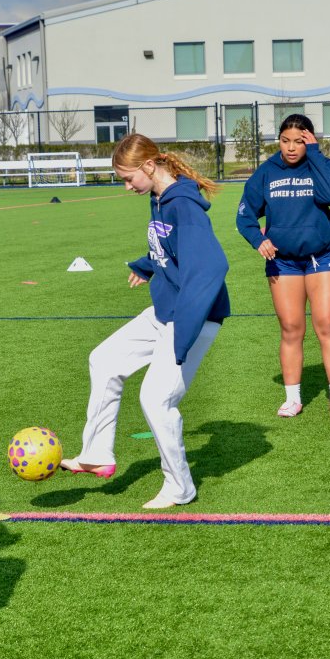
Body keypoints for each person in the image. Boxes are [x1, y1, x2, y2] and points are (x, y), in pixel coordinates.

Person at [61, 133, 230, 508]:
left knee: (155, 399)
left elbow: (211, 267)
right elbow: (169, 250)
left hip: (193, 318)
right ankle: (98, 453)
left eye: (128, 177)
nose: (126, 186)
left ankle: (179, 487)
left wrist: (182, 335)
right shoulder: (159, 198)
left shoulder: (182, 206)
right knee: (103, 359)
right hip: (165, 311)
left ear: (149, 166)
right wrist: (148, 264)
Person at [236, 113, 330, 420]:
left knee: (326, 324)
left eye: (299, 141)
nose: (290, 148)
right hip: (282, 261)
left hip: (322, 256)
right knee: (291, 329)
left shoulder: (321, 165)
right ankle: (293, 399)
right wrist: (257, 240)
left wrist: (315, 154)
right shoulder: (266, 172)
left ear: (310, 140)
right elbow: (245, 216)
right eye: (285, 141)